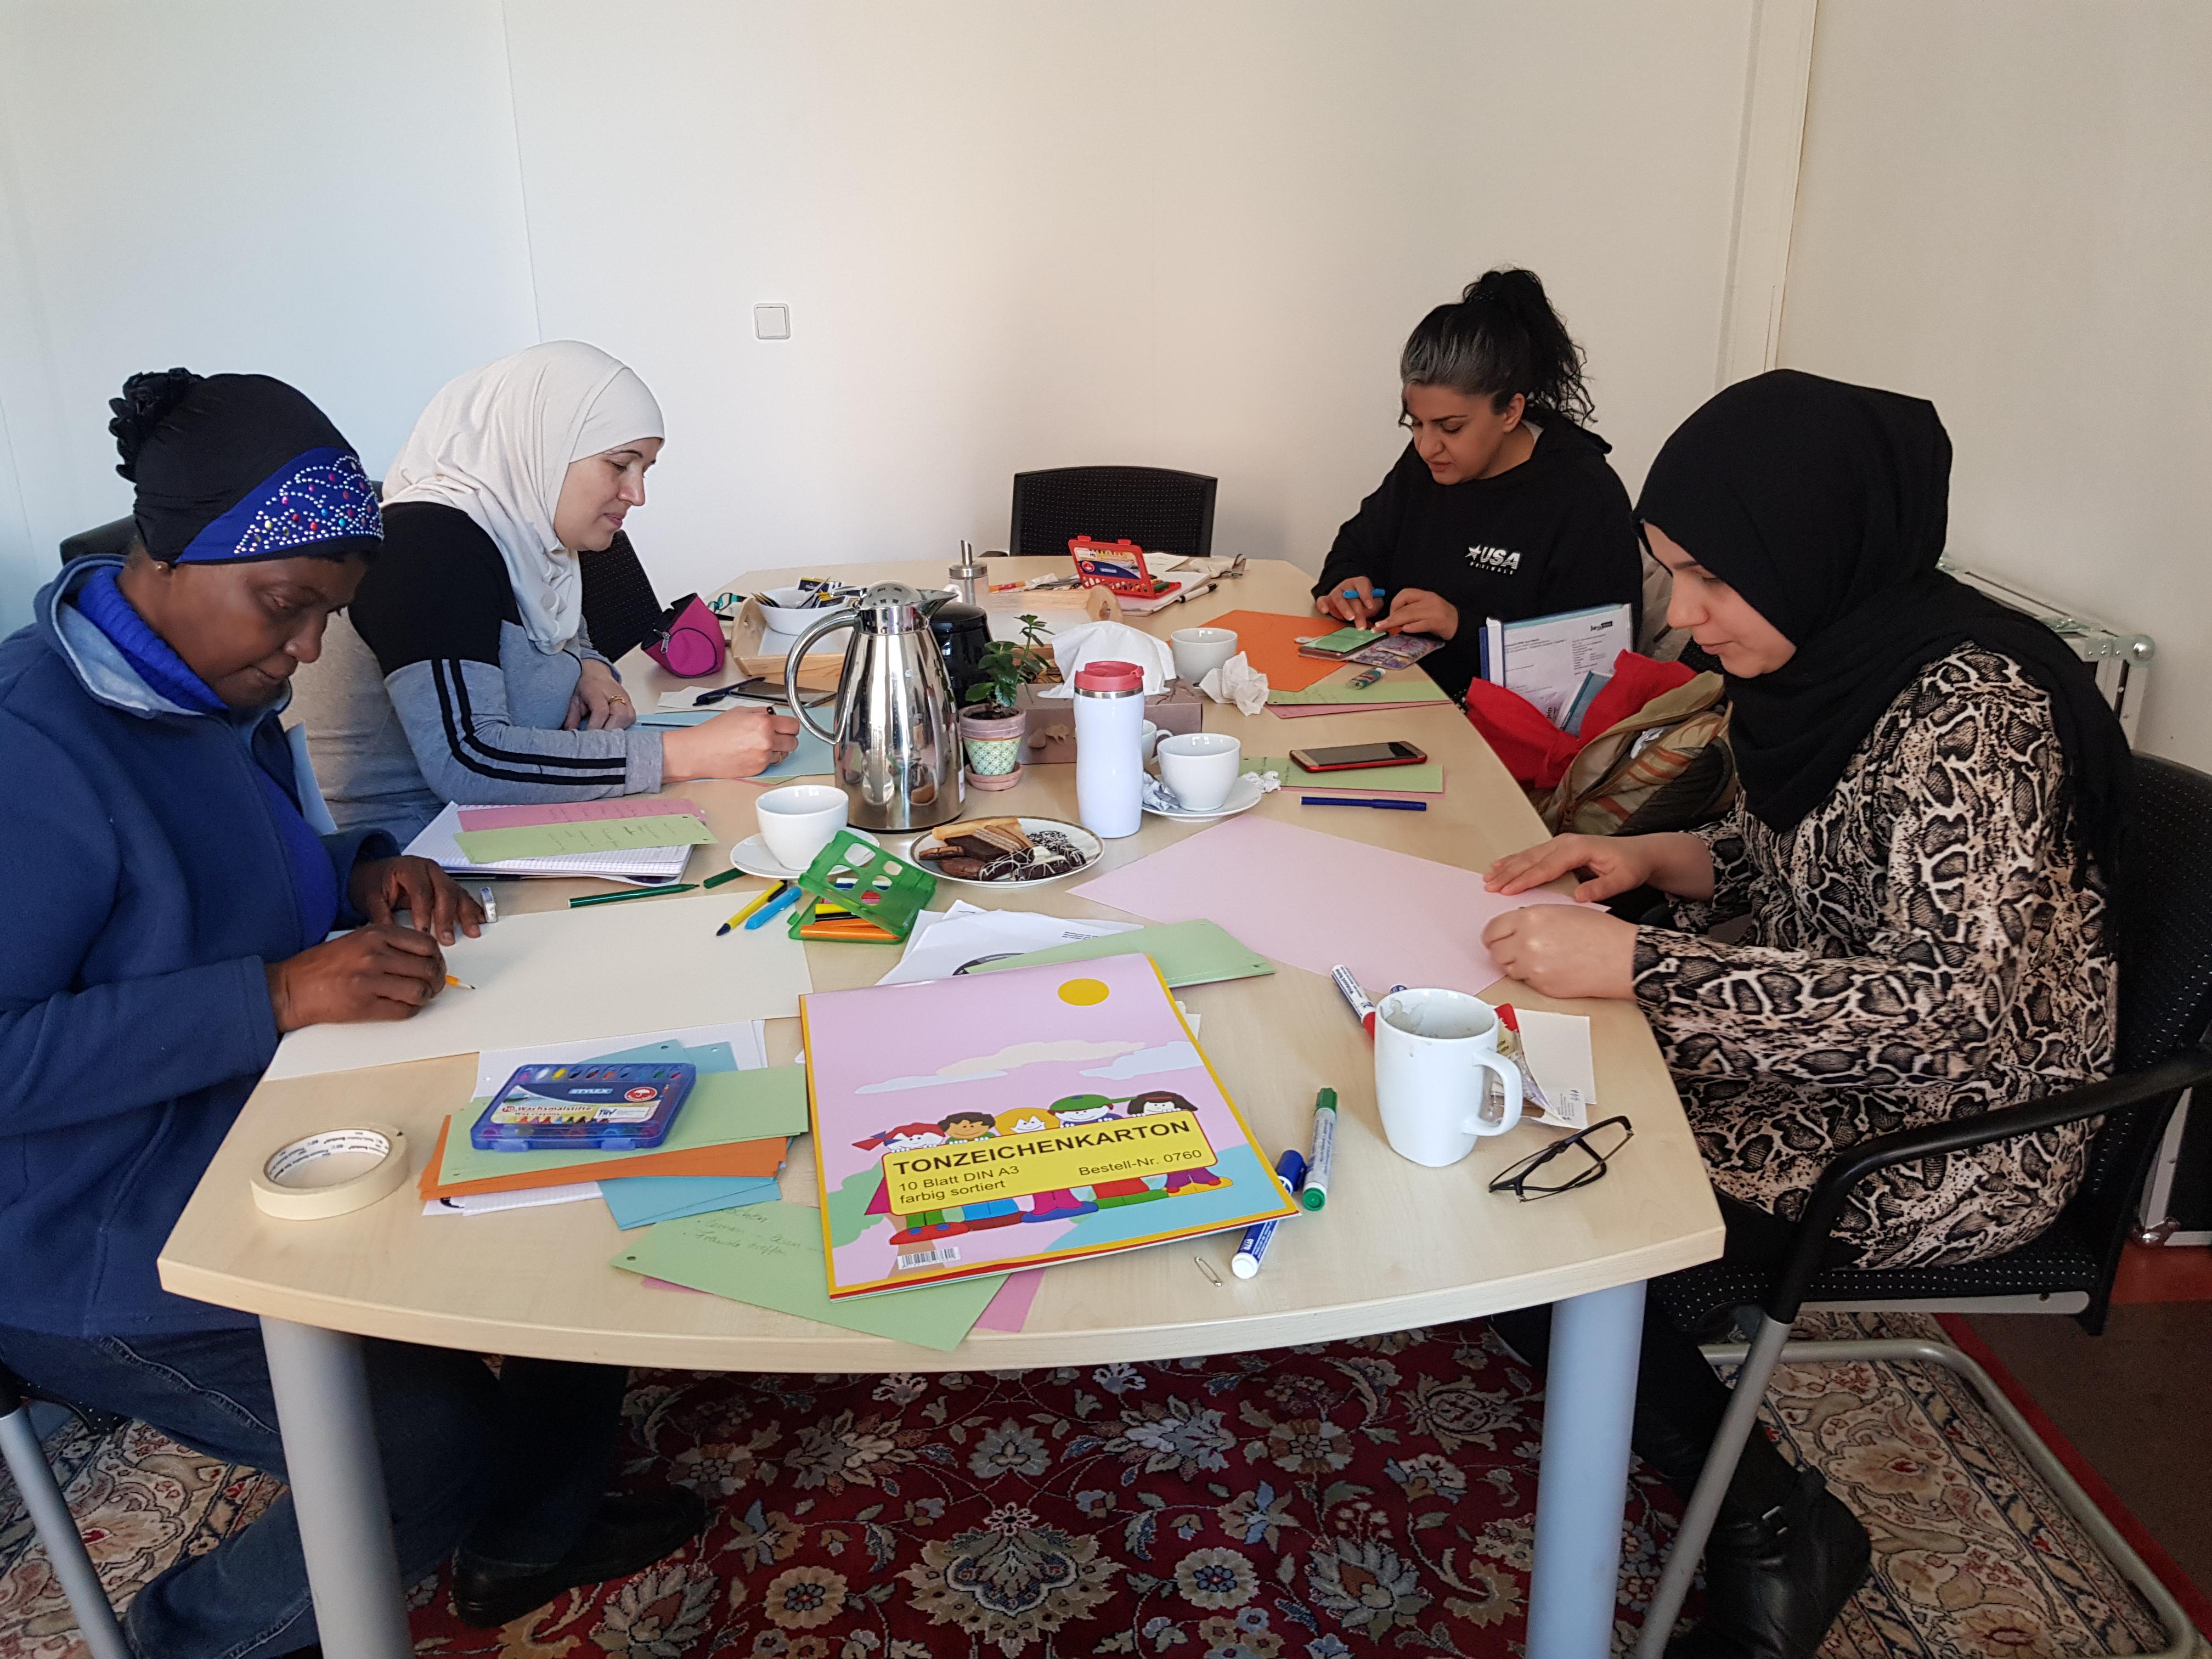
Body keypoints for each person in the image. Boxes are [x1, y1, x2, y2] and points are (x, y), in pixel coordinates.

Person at [0, 370, 703, 1658]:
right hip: (89, 1232)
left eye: (327, 615)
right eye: (287, 607)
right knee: (417, 1454)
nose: (308, 652)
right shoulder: (29, 747)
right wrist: (272, 995)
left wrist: (362, 870)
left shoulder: (208, 688)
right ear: (167, 558)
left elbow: (215, 885)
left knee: (578, 1159)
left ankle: (527, 1531)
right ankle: (184, 1639)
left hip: (256, 1127)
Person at [1476, 370, 2129, 1659]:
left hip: (1959, 1129)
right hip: (1827, 1051)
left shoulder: (1977, 717)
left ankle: (1776, 1528)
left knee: (1547, 1202)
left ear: (1813, 545)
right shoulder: (1840, 659)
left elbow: (1950, 1015)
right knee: (1526, 1139)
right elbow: (1796, 864)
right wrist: (1652, 860)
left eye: (1713, 579)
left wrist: (1641, 968)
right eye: (1672, 572)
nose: (1684, 618)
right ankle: (1685, 1422)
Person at [299, 341, 798, 842]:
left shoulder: (531, 538)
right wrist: (682, 754)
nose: (637, 494)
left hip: (504, 825)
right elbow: (468, 761)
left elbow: (562, 629)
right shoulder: (429, 548)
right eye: (619, 465)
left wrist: (589, 666)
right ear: (543, 448)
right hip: (416, 848)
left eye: (644, 470)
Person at [1311, 267, 1643, 701]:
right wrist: (1347, 584)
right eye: (1416, 424)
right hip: (1400, 698)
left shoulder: (1583, 497)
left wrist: (1462, 628)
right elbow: (1357, 545)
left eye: (1451, 427)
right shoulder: (1428, 464)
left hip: (1504, 726)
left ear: (1510, 412)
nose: (1428, 446)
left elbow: (1593, 667)